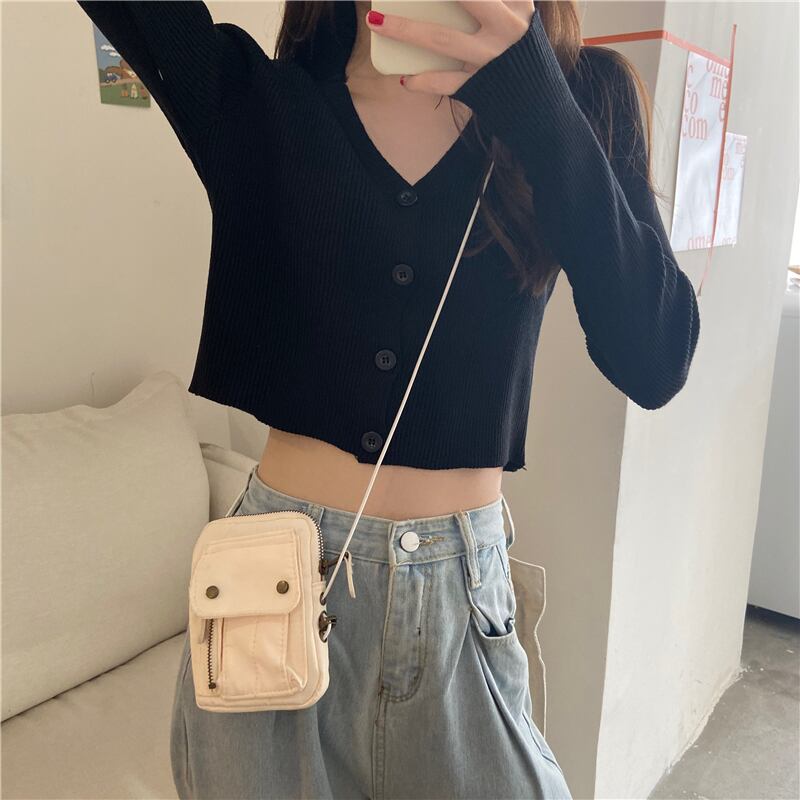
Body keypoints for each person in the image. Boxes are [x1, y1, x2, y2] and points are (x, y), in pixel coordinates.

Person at [76, 1, 700, 798]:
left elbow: (656, 358)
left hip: (461, 601)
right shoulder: (266, 99)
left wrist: (532, 97)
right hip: (273, 586)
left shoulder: (579, 96)